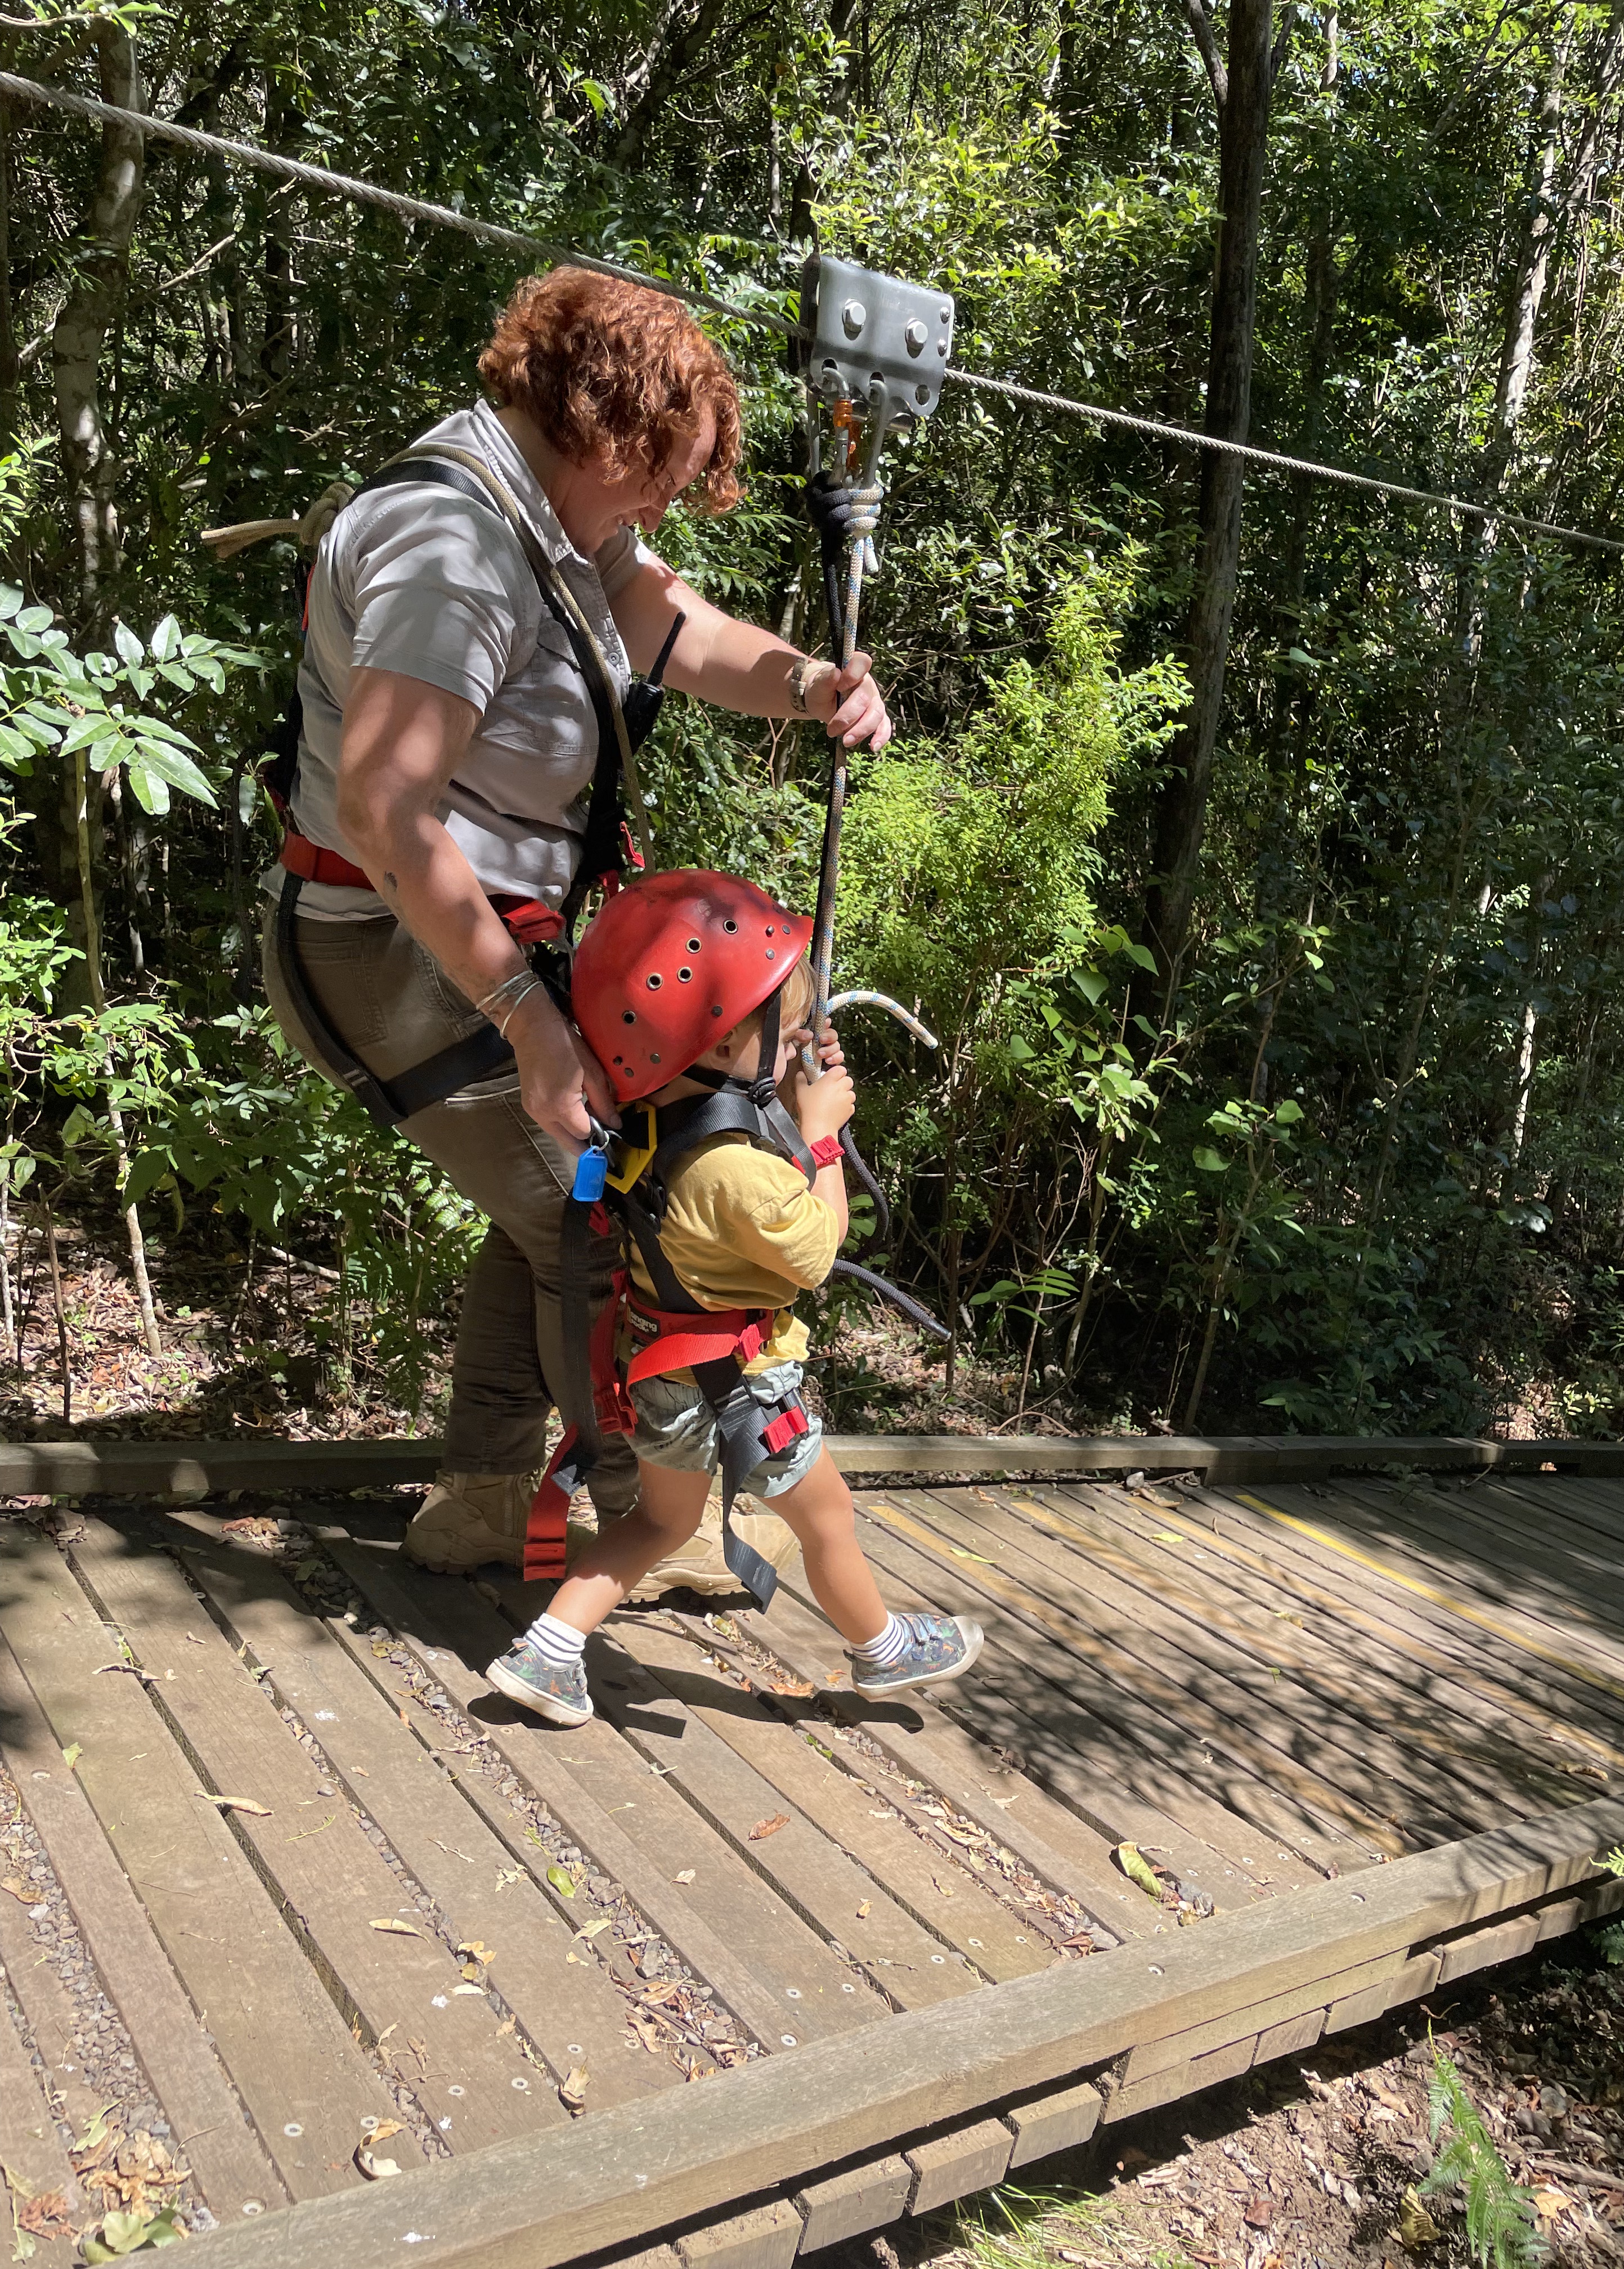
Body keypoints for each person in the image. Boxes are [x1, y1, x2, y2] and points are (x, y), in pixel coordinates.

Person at [259, 264, 892, 1588]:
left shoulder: (549, 512)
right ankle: (645, 1516)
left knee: (556, 1200)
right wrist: (530, 1026)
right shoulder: (452, 551)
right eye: (660, 478)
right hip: (388, 949)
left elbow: (676, 628)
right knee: (617, 1222)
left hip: (473, 939)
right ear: (607, 432)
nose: (660, 510)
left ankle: (483, 1501)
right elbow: (385, 812)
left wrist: (809, 683)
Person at [483, 870, 983, 1725]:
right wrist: (822, 1136)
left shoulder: (645, 1118)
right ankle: (883, 1649)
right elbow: (815, 1252)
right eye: (782, 1034)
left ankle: (549, 1649)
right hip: (742, 1386)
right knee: (828, 1517)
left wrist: (787, 1091)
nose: (795, 1049)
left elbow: (736, 1161)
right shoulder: (735, 1172)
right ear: (717, 1046)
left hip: (662, 1371)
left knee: (659, 1523)